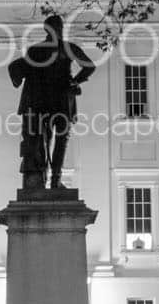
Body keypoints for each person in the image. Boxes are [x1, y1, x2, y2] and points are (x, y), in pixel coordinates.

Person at [8, 14, 95, 190]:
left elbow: (23, 71)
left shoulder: (36, 50)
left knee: (45, 140)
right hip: (60, 100)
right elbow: (89, 66)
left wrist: (75, 82)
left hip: (43, 102)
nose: (59, 31)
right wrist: (75, 82)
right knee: (58, 140)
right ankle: (54, 179)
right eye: (58, 28)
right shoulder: (67, 48)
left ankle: (47, 178)